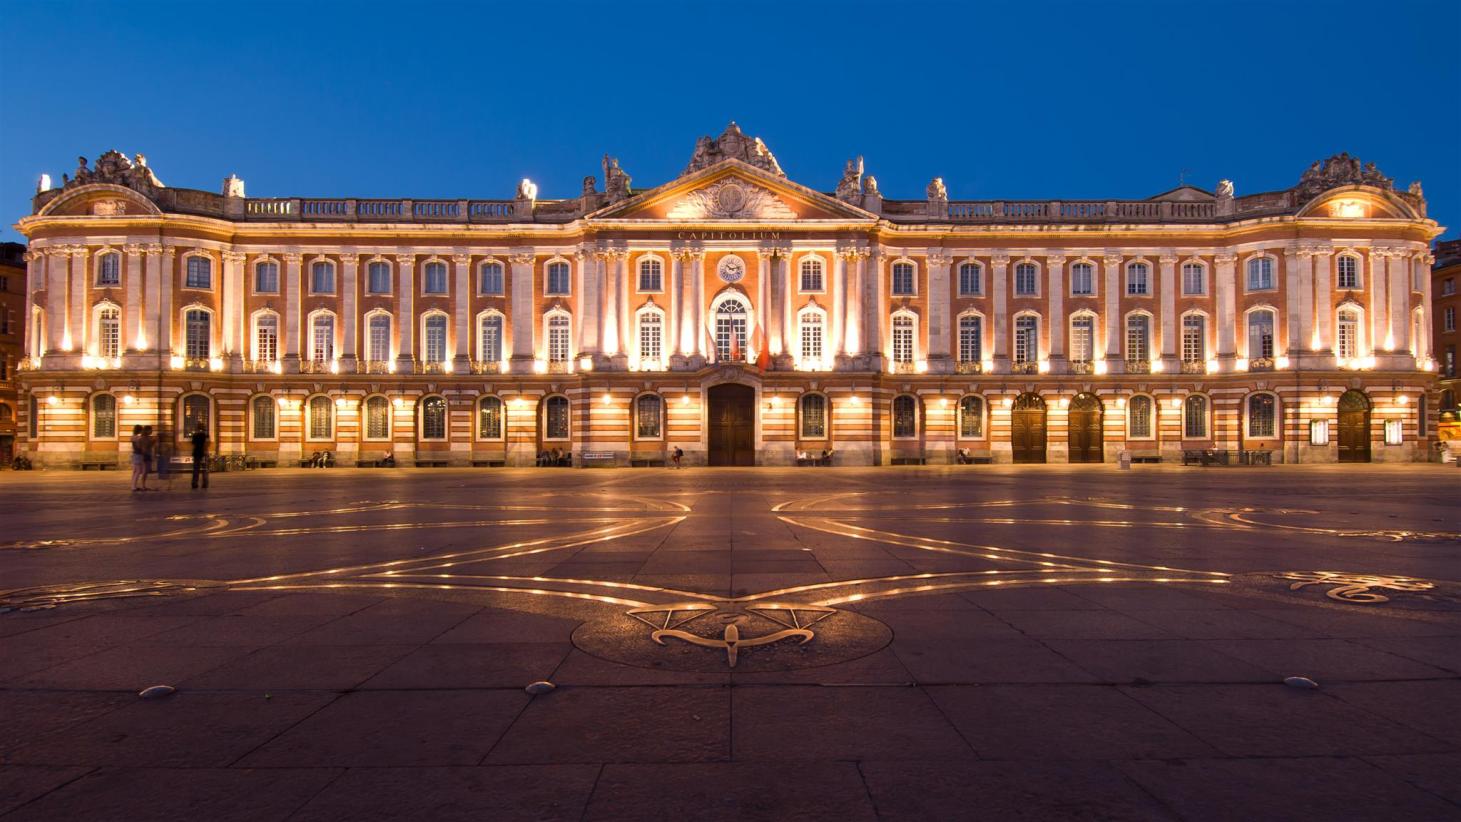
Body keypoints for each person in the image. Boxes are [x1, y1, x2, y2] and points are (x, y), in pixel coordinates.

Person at [190, 423, 209, 489]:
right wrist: (206, 452)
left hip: (196, 453)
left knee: (196, 469)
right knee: (204, 470)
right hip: (203, 453)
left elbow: (193, 444)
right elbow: (206, 444)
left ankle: (194, 483)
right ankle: (205, 483)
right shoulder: (205, 435)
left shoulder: (195, 435)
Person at [129, 424, 147, 492]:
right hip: (138, 455)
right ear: (139, 430)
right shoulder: (138, 438)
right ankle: (134, 487)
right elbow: (138, 447)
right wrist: (143, 450)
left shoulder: (132, 437)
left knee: (135, 471)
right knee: (138, 471)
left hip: (134, 454)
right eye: (141, 430)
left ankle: (133, 485)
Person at [140, 426, 157, 490]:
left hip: (148, 454)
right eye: (150, 430)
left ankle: (143, 485)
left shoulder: (147, 438)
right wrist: (153, 441)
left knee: (146, 471)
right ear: (147, 430)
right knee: (145, 471)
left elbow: (149, 446)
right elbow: (145, 447)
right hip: (145, 455)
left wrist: (153, 441)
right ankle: (143, 485)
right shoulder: (143, 438)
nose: (151, 431)